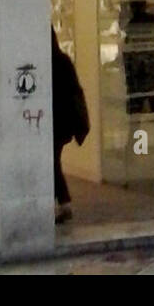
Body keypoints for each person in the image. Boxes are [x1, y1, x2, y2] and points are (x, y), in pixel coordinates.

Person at [51, 27, 90, 224]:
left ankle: (63, 203)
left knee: (51, 163)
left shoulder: (46, 61)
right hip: (62, 121)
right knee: (52, 162)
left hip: (52, 121)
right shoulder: (63, 60)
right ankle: (62, 203)